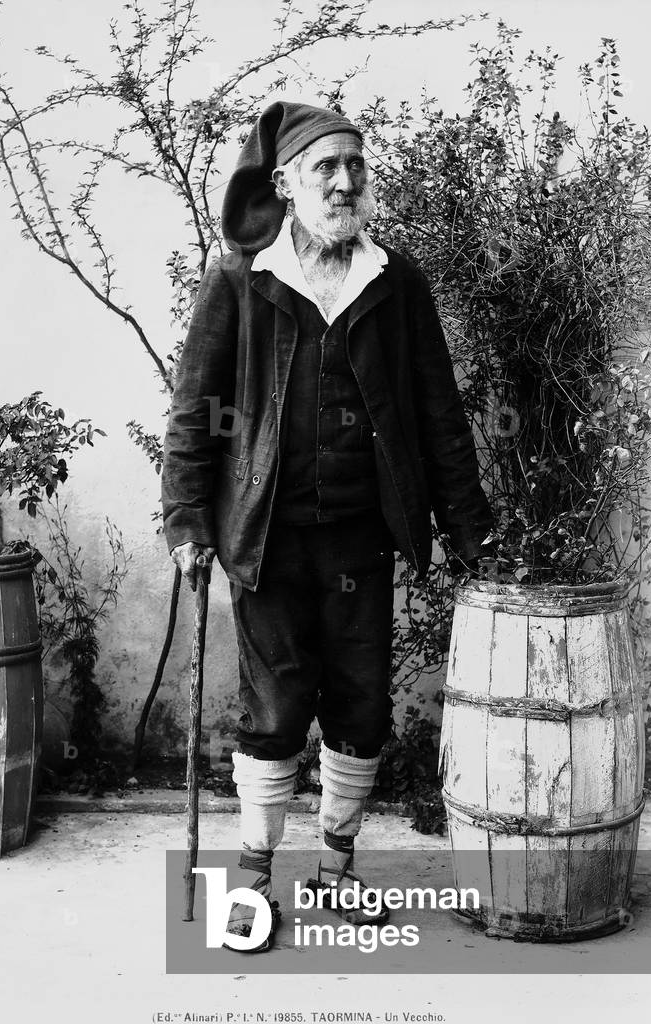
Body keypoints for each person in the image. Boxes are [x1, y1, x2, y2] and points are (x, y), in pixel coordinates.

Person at [161, 101, 493, 951]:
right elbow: (200, 409)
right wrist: (188, 516)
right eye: (325, 169)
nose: (345, 182)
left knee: (361, 706)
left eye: (355, 165)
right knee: (272, 707)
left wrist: (468, 529)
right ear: (285, 184)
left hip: (361, 537)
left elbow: (438, 411)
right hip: (265, 541)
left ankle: (337, 871)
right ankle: (254, 877)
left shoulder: (395, 280)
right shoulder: (242, 278)